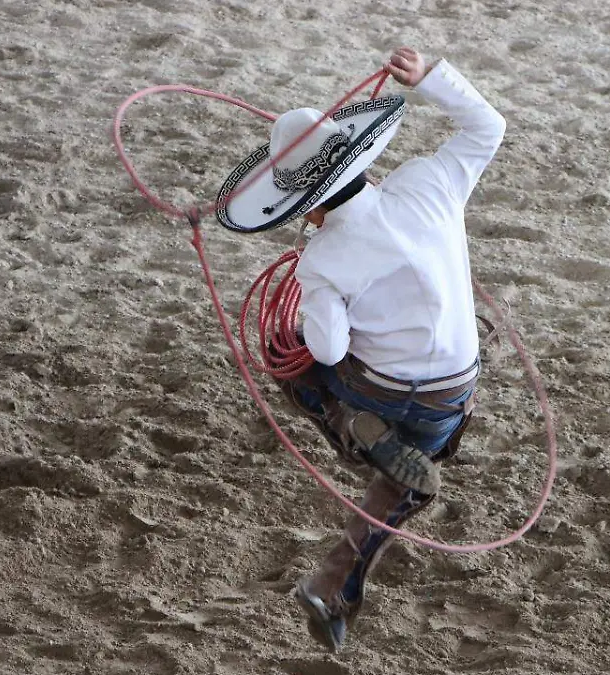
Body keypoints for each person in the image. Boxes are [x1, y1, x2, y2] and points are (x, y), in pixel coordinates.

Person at [213, 46, 506, 652]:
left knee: (290, 354)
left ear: (305, 202)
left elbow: (326, 346)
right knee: (404, 486)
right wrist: (430, 80)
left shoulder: (323, 260)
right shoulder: (429, 182)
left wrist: (313, 296)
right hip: (454, 388)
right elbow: (488, 126)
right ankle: (334, 580)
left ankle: (346, 421)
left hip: (385, 389)